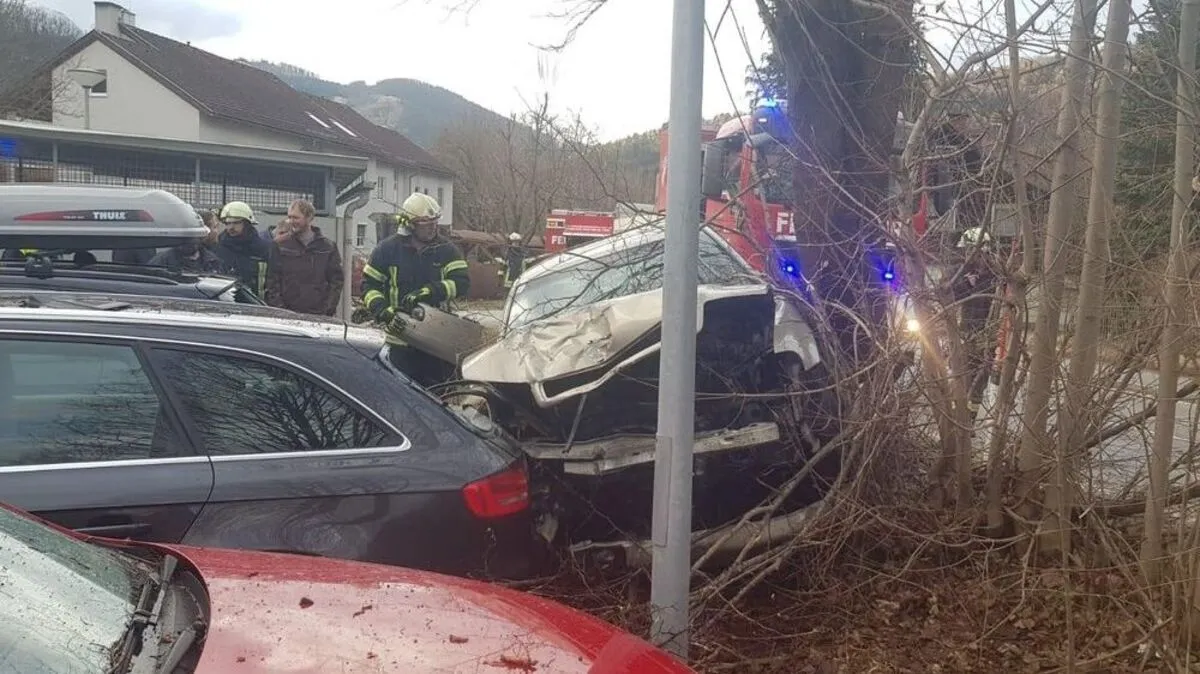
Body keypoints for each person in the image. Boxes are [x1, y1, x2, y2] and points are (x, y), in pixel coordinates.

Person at [360, 192, 469, 384]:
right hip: (399, 341)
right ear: (410, 224)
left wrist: (430, 291)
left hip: (436, 340)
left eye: (435, 222)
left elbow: (461, 282)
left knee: (438, 397)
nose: (433, 228)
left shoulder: (446, 250)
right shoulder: (387, 250)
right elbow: (369, 286)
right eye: (426, 224)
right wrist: (384, 311)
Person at [951, 226, 1000, 419]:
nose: (969, 255)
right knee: (961, 376)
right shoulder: (959, 272)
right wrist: (965, 284)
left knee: (980, 379)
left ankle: (970, 419)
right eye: (967, 250)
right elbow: (946, 294)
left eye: (972, 250)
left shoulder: (996, 274)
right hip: (964, 333)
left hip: (987, 335)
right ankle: (958, 416)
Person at [264, 199, 343, 316]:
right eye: (289, 217)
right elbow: (272, 281)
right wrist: (280, 310)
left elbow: (336, 282)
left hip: (318, 316)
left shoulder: (328, 247)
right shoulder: (280, 245)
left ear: (309, 217)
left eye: (295, 218)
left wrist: (328, 310)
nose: (291, 221)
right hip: (286, 315)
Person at [216, 201, 271, 298]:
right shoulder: (218, 246)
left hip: (255, 303)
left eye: (236, 222)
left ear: (247, 224)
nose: (231, 227)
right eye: (228, 223)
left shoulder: (263, 248)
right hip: (226, 301)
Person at [148, 237, 224, 275]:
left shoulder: (212, 261)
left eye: (192, 236)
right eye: (184, 237)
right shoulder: (161, 261)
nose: (189, 241)